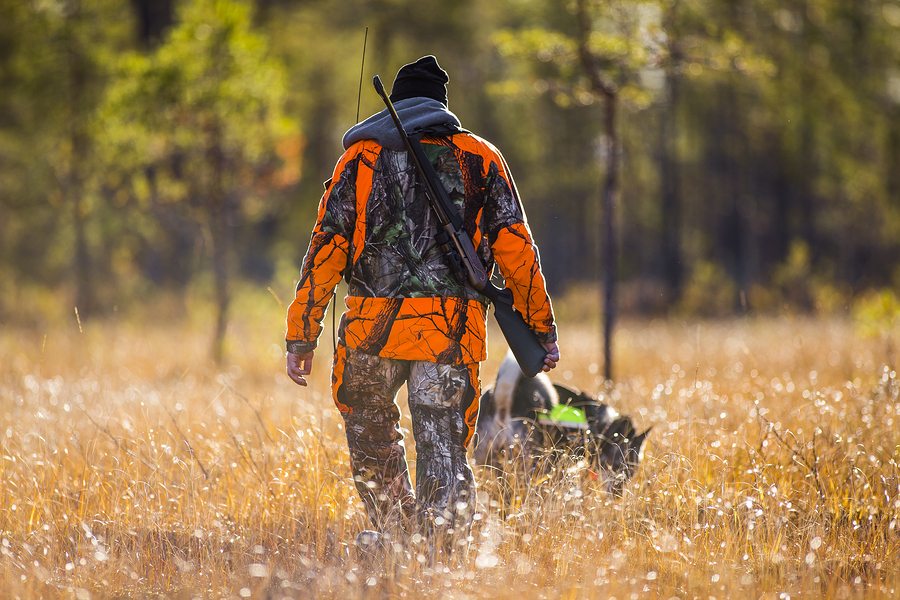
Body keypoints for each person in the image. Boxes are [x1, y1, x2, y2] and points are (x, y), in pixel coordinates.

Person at [285, 55, 559, 548]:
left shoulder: (359, 159)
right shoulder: (481, 157)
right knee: (442, 445)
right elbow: (518, 251)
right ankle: (439, 553)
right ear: (441, 105)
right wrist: (541, 329)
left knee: (370, 434)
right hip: (448, 334)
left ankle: (396, 535)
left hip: (371, 332)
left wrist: (302, 334)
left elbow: (325, 248)